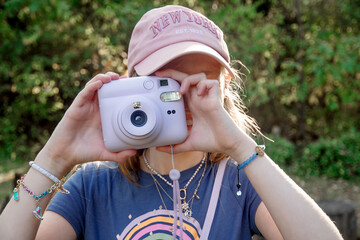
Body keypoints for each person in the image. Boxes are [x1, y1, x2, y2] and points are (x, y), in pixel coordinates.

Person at [0, 5, 343, 240]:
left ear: (224, 90)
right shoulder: (92, 185)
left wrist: (240, 146)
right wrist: (54, 158)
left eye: (200, 85)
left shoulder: (241, 179)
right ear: (132, 85)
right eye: (165, 85)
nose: (182, 99)